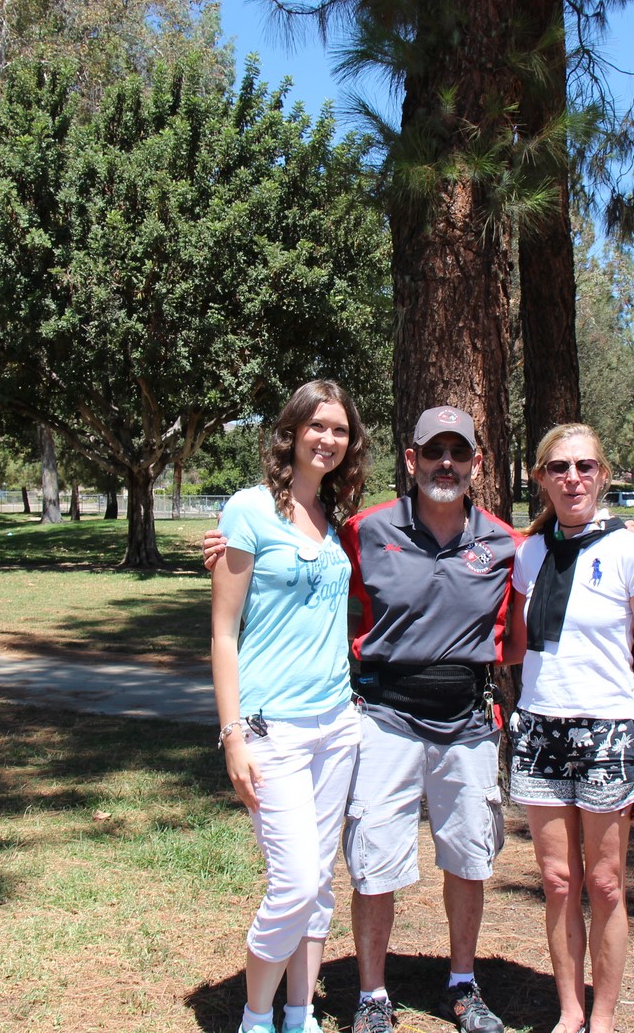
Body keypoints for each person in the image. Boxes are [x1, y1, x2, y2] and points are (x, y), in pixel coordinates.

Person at [206, 405, 522, 1033]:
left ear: (477, 465)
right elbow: (286, 555)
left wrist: (610, 527)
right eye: (434, 452)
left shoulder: (504, 542)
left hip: (464, 722)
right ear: (412, 460)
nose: (446, 465)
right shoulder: (363, 529)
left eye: (459, 454)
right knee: (372, 861)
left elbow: (523, 622)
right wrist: (225, 542)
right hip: (382, 718)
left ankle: (463, 984)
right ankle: (370, 996)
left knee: (468, 858)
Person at [503, 423, 634, 1033]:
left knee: (604, 884)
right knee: (556, 880)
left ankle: (602, 1017)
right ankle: (569, 1012)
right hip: (540, 732)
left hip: (608, 736)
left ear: (602, 474)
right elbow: (516, 649)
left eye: (584, 466)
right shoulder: (529, 553)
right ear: (541, 478)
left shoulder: (631, 551)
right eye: (559, 467)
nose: (572, 478)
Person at [211, 380, 368, 1033]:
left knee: (320, 886)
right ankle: (255, 1016)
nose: (327, 438)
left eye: (339, 429)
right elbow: (223, 631)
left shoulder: (339, 520)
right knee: (296, 880)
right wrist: (232, 735)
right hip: (270, 728)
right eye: (317, 426)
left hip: (337, 724)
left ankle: (298, 1015)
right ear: (292, 431)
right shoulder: (248, 510)